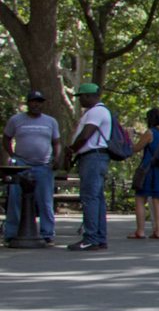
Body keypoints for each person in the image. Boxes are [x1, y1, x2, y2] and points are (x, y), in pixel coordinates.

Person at [3, 90, 61, 244]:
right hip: (21, 165)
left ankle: (47, 233)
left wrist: (56, 157)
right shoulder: (16, 120)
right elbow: (6, 138)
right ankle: (11, 233)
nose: (37, 104)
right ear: (28, 103)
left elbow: (56, 142)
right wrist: (13, 155)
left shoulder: (50, 121)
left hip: (43, 165)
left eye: (40, 102)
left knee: (45, 200)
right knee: (15, 199)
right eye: (34, 101)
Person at [65, 82, 112, 251]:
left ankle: (90, 237)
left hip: (93, 157)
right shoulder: (101, 111)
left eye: (80, 97)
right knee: (97, 197)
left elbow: (86, 135)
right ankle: (99, 237)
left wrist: (71, 149)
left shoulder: (96, 112)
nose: (80, 101)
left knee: (90, 197)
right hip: (97, 157)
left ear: (87, 96)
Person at [129, 108, 159, 239]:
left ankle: (140, 231)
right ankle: (158, 231)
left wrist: (131, 136)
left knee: (140, 199)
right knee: (158, 200)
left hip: (149, 171)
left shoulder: (150, 132)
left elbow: (135, 148)